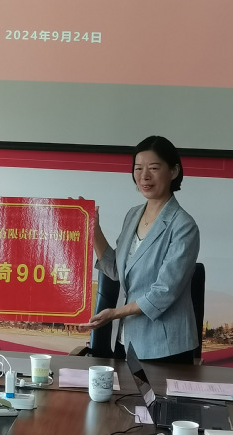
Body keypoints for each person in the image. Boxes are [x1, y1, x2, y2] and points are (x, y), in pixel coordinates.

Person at [81, 135, 200, 364]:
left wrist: (114, 313)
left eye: (153, 168)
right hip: (127, 340)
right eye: (138, 168)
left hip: (165, 348)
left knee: (151, 391)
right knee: (123, 390)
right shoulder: (133, 215)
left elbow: (164, 292)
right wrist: (93, 230)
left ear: (174, 171)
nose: (144, 176)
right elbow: (116, 270)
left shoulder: (183, 226)